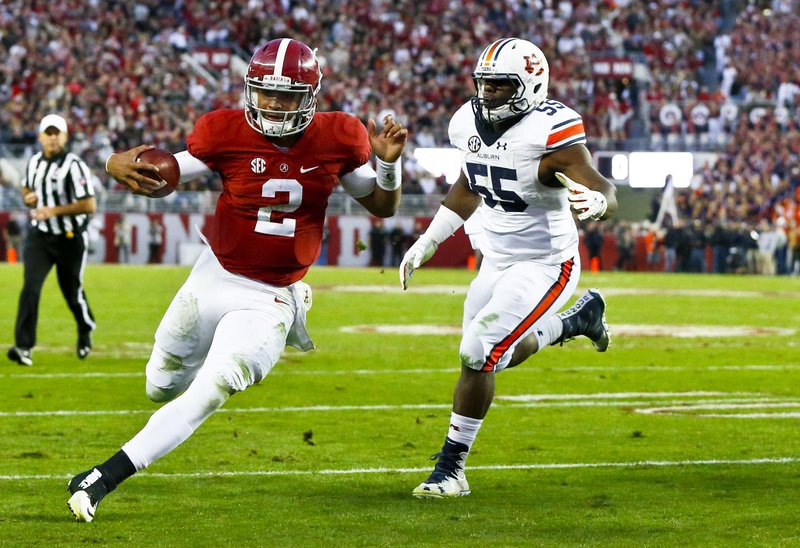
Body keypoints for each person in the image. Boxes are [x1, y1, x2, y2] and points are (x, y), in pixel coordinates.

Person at [66, 38, 407, 522]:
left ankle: (103, 477)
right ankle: (208, 349)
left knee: (211, 388)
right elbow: (169, 170)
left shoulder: (339, 137)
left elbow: (381, 205)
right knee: (159, 386)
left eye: (286, 95)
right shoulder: (224, 131)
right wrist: (113, 164)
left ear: (310, 96)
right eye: (265, 92)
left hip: (271, 296)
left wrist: (389, 164)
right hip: (214, 275)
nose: (272, 103)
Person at [399, 38, 617, 498]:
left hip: (545, 263)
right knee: (484, 356)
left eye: (501, 86)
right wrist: (429, 239)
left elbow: (603, 186)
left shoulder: (550, 136)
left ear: (531, 86)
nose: (489, 94)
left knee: (478, 351)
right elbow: (469, 182)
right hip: (495, 258)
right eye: (485, 84)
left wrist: (598, 201)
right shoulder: (466, 122)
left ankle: (451, 469)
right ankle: (575, 322)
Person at [7, 114, 97, 367]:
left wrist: (53, 211)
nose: (53, 137)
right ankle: (23, 346)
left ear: (65, 136)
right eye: (48, 132)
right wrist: (28, 198)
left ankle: (84, 327)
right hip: (40, 237)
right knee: (30, 288)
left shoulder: (74, 164)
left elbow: (89, 204)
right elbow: (26, 187)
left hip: (70, 238)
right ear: (40, 136)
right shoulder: (34, 162)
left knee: (72, 294)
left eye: (57, 132)